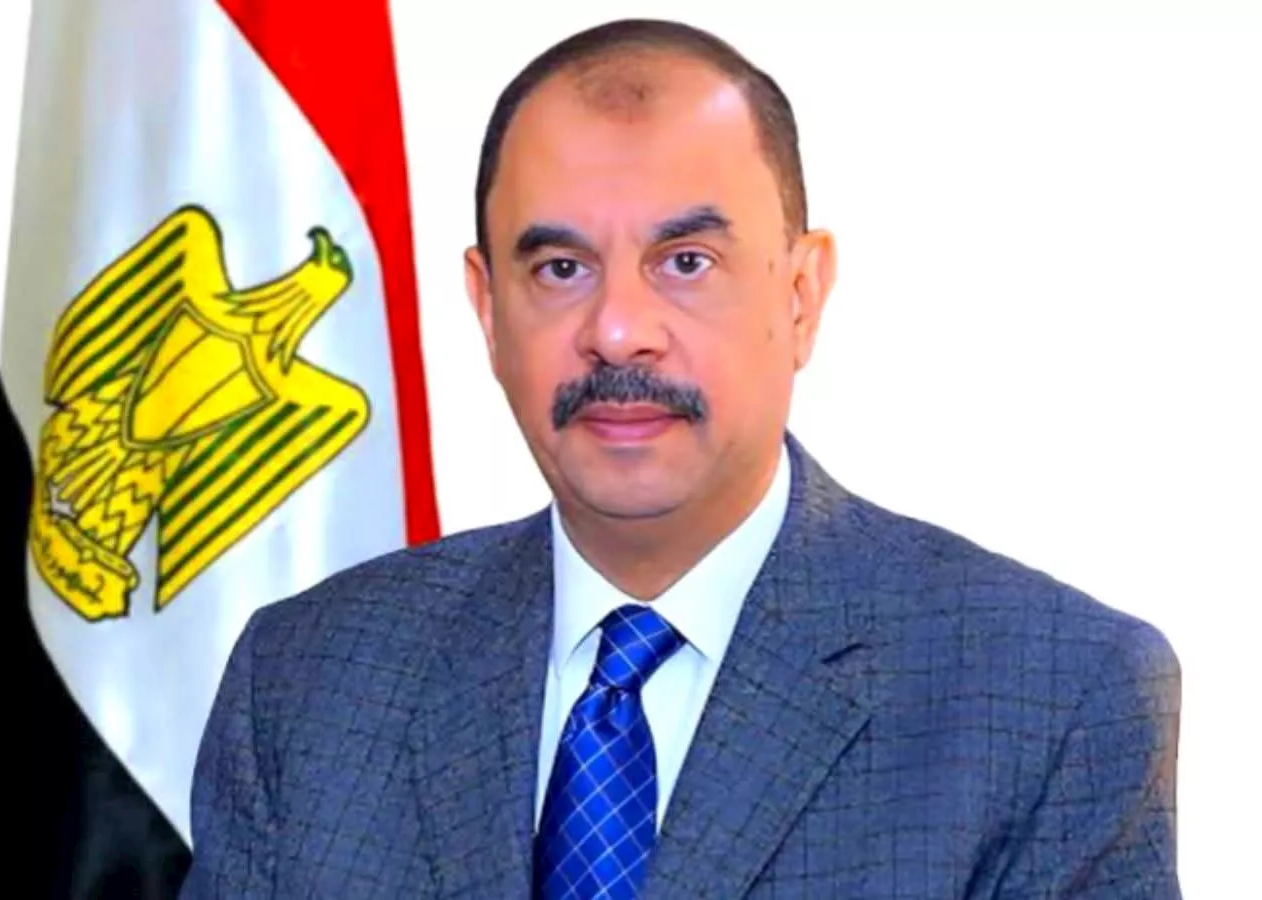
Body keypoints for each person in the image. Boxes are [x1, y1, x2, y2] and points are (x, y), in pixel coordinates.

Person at [180, 18, 1181, 899]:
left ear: (801, 295)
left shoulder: (1051, 698)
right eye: (560, 268)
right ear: (487, 308)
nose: (619, 330)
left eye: (686, 262)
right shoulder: (309, 683)